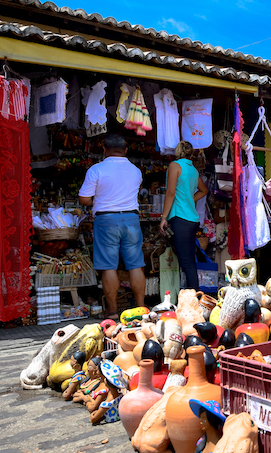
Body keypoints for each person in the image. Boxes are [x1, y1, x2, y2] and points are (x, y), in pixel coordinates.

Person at [79, 134, 146, 318]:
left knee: (109, 266)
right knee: (135, 264)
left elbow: (84, 199)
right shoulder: (135, 171)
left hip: (106, 220)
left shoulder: (96, 169)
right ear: (125, 150)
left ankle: (112, 311)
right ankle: (141, 309)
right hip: (131, 219)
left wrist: (97, 200)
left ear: (104, 149)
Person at [159, 140, 209, 291]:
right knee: (189, 261)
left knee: (186, 262)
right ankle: (194, 294)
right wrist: (189, 199)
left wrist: (163, 217)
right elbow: (204, 190)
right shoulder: (193, 170)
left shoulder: (175, 166)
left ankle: (193, 296)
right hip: (192, 219)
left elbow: (170, 193)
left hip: (180, 218)